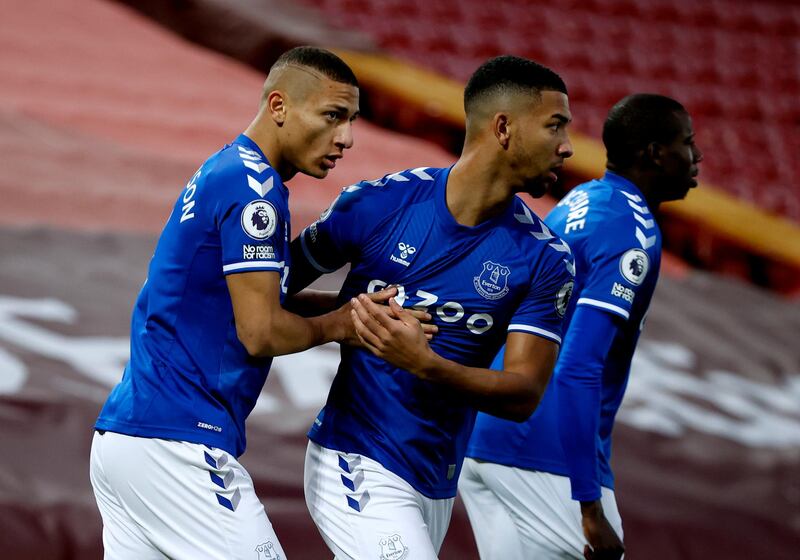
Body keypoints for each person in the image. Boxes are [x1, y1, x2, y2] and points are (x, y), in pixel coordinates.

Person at [90, 46, 392, 560]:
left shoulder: (229, 169)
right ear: (279, 106)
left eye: (351, 120)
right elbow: (261, 331)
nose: (346, 138)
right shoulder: (255, 191)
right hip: (180, 443)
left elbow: (251, 297)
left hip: (128, 437)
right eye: (332, 116)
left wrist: (352, 305)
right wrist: (343, 325)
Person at [289, 55, 576, 559]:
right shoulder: (378, 205)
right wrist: (345, 319)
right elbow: (269, 291)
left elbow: (523, 393)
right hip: (354, 456)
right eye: (555, 127)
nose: (567, 148)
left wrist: (425, 364)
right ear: (504, 127)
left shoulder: (546, 259)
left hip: (436, 480)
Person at [461, 93, 704, 560]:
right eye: (687, 143)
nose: (697, 157)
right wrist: (589, 505)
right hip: (545, 456)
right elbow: (576, 368)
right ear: (655, 152)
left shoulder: (582, 200)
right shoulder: (630, 232)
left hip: (488, 438)